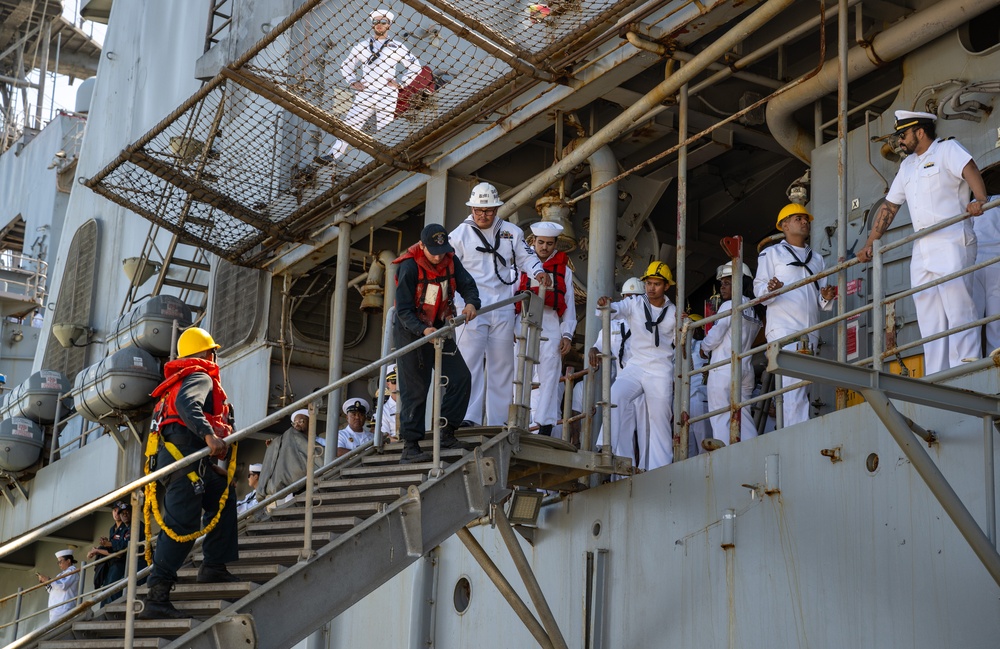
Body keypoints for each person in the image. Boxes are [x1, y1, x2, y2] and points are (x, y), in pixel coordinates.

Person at [857, 110, 988, 374]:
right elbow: (890, 207)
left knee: (958, 305)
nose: (899, 142)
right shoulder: (906, 167)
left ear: (920, 131)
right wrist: (871, 242)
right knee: (929, 314)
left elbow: (969, 168)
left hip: (951, 238)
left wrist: (980, 199)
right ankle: (938, 373)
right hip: (922, 246)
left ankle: (966, 367)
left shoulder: (947, 149)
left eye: (902, 135)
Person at [142, 327, 239, 619]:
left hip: (187, 462)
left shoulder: (178, 380)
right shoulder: (198, 376)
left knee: (222, 492)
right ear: (209, 353)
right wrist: (210, 437)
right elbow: (188, 407)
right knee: (180, 526)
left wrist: (208, 466)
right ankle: (156, 597)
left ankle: (213, 567)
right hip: (183, 464)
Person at [450, 183, 548, 426]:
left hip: (503, 305)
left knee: (502, 365)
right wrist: (454, 304)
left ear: (497, 208)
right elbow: (449, 271)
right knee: (469, 363)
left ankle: (499, 420)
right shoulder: (458, 236)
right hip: (471, 307)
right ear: (472, 208)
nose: (484, 215)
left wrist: (538, 272)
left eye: (489, 210)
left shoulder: (512, 232)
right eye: (479, 210)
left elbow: (527, 257)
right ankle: (467, 417)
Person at [393, 223, 481, 463]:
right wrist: (423, 330)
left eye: (441, 250)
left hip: (439, 329)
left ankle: (447, 431)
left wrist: (472, 303)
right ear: (421, 246)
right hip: (411, 332)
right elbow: (402, 310)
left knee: (461, 377)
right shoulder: (409, 267)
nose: (437, 255)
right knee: (416, 388)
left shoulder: (450, 261)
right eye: (432, 251)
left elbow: (468, 285)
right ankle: (410, 446)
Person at [754, 204, 837, 426]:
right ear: (784, 225)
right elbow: (759, 289)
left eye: (805, 219)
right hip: (783, 328)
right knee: (794, 385)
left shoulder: (817, 259)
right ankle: (796, 431)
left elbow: (821, 301)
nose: (804, 222)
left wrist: (827, 296)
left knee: (803, 384)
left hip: (809, 329)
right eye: (798, 218)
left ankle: (795, 428)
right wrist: (770, 290)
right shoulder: (771, 253)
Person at [596, 261, 677, 470]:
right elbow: (613, 310)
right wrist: (606, 304)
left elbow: (681, 343)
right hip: (636, 365)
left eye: (657, 284)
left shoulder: (674, 312)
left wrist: (684, 326)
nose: (651, 288)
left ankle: (660, 467)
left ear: (666, 286)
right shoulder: (634, 303)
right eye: (649, 283)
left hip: (660, 369)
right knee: (614, 395)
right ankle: (605, 447)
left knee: (659, 418)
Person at [317, 8, 422, 166]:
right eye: (376, 22)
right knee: (349, 125)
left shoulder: (397, 47)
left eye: (383, 22)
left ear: (389, 25)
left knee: (385, 129)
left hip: (387, 93)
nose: (379, 25)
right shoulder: (362, 46)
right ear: (372, 25)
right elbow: (346, 65)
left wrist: (402, 83)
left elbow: (415, 66)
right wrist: (353, 81)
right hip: (366, 92)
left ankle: (385, 160)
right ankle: (333, 155)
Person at [517, 221, 576, 436]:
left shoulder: (564, 271)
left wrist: (567, 334)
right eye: (540, 242)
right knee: (519, 371)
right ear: (533, 241)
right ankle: (517, 421)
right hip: (522, 321)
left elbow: (568, 304)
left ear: (555, 244)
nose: (544, 247)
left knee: (550, 374)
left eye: (549, 244)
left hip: (550, 323)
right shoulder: (520, 263)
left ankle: (546, 424)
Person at [701, 262, 763, 448]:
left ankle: (723, 454)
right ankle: (753, 449)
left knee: (720, 415)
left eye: (728, 282)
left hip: (724, 367)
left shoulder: (730, 304)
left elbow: (716, 334)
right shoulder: (754, 308)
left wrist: (703, 348)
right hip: (745, 370)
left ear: (741, 283)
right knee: (743, 415)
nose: (723, 287)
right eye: (722, 283)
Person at [257, 409, 324, 506]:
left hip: (313, 487)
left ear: (311, 422)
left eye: (301, 421)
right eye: (294, 423)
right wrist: (276, 446)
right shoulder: (289, 441)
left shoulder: (321, 442)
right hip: (292, 491)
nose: (296, 425)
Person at [88, 501, 145, 603]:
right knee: (107, 589)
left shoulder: (136, 525)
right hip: (122, 561)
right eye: (122, 513)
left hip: (136, 562)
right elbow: (117, 546)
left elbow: (125, 545)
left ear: (133, 513)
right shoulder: (119, 529)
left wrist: (108, 545)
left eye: (127, 512)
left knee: (115, 588)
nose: (124, 515)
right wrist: (104, 545)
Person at [972, 193, 1000, 353]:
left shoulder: (970, 204)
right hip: (995, 260)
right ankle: (996, 362)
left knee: (972, 317)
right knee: (996, 321)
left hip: (974, 261)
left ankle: (970, 361)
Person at [38, 549, 80, 621]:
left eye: (60, 561)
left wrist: (48, 579)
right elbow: (53, 590)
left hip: (64, 607)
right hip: (56, 608)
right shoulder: (60, 574)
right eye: (58, 562)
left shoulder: (72, 571)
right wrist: (45, 583)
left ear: (68, 561)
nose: (59, 564)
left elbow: (63, 585)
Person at [380, 364, 400, 442]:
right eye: (394, 381)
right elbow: (385, 436)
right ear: (388, 384)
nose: (398, 385)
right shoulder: (383, 410)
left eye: (400, 381)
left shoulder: (413, 403)